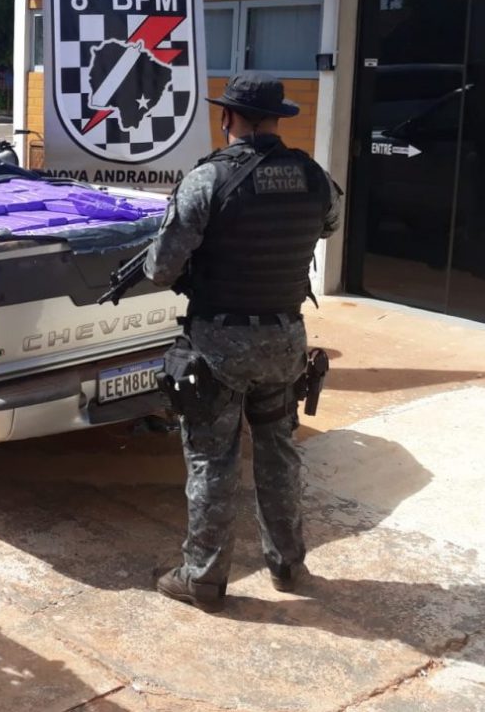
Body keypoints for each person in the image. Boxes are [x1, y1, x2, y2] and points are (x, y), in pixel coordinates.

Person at [146, 71, 342, 612]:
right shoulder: (314, 176)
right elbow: (328, 225)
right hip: (284, 341)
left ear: (227, 116)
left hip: (219, 346)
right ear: (278, 118)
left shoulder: (206, 180)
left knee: (213, 460)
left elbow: (161, 269)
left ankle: (203, 579)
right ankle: (288, 565)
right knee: (279, 453)